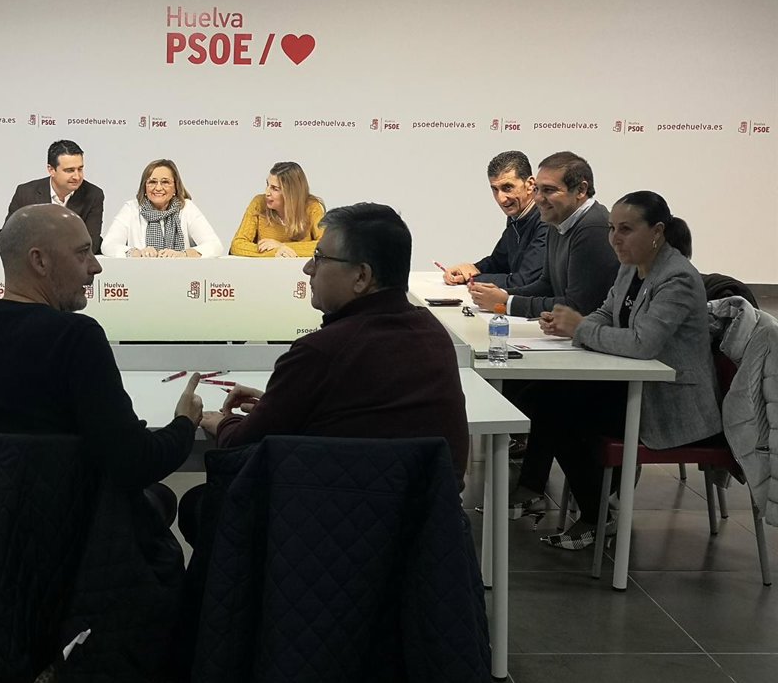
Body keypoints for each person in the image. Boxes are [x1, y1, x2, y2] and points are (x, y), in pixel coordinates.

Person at [0, 202, 201, 524]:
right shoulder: (77, 337)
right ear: (39, 261)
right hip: (69, 529)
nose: (96, 266)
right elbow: (135, 462)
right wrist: (184, 423)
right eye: (82, 253)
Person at [201, 202, 468, 486]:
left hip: (331, 510)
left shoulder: (320, 352)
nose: (307, 268)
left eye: (319, 257)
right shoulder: (434, 335)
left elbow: (240, 446)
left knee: (198, 502)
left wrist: (223, 422)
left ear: (361, 276)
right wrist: (275, 407)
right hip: (430, 511)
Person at [516, 192, 721, 550]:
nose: (614, 239)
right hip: (635, 385)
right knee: (544, 394)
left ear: (657, 231)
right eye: (612, 229)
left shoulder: (677, 278)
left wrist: (580, 328)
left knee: (559, 409)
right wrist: (572, 326)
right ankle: (572, 499)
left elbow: (643, 343)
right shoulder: (631, 266)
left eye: (625, 229)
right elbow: (607, 312)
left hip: (669, 402)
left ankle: (594, 515)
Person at [469, 151, 618, 318]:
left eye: (548, 190)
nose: (538, 198)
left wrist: (507, 303)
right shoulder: (558, 220)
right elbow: (546, 285)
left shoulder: (593, 228)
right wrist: (502, 295)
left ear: (581, 190)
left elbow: (578, 307)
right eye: (537, 189)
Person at [443, 150, 547, 288]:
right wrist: (468, 270)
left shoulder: (547, 221)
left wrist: (472, 278)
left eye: (507, 188)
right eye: (495, 189)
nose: (501, 199)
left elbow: (524, 281)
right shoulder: (517, 217)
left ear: (530, 185)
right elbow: (498, 262)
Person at [103, 159, 223, 258]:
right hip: (139, 274)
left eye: (165, 182)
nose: (158, 188)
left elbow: (215, 246)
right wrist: (135, 252)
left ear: (175, 187)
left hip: (182, 274)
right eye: (152, 182)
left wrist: (183, 254)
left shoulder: (187, 208)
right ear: (144, 187)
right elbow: (108, 245)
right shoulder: (131, 208)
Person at [3, 139, 104, 254]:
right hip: (36, 262)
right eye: (69, 170)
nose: (77, 176)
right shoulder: (26, 193)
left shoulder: (93, 195)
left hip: (74, 263)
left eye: (80, 169)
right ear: (51, 170)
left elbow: (91, 244)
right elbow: (5, 239)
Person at [228, 161, 325, 258]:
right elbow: (237, 245)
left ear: (291, 194)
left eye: (275, 188)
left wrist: (282, 246)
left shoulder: (312, 207)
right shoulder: (259, 203)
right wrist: (275, 252)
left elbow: (326, 246)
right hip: (265, 267)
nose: (267, 193)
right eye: (267, 185)